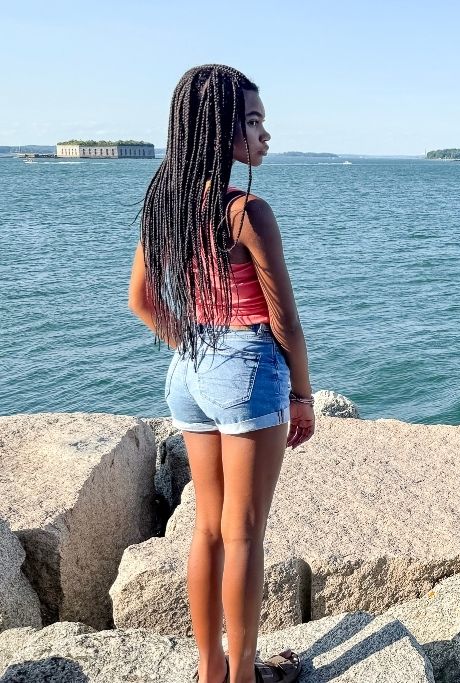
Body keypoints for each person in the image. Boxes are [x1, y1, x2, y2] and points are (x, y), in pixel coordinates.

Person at [128, 64, 313, 683]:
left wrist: (195, 343)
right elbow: (284, 318)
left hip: (189, 370)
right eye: (254, 122)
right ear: (222, 131)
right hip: (248, 364)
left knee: (206, 528)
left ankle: (212, 672)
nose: (265, 136)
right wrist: (304, 395)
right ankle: (245, 675)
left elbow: (142, 303)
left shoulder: (165, 205)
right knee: (244, 534)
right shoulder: (248, 212)